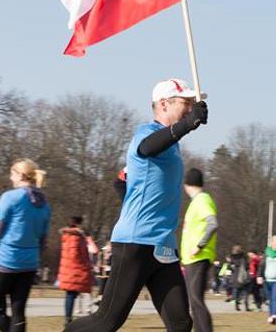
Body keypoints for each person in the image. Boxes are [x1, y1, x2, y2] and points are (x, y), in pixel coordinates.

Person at [66, 79, 207, 332]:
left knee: (181, 323)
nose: (190, 108)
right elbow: (147, 147)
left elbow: (122, 182)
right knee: (107, 322)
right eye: (186, 103)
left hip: (163, 247)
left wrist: (133, 203)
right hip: (135, 244)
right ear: (164, 104)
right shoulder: (146, 133)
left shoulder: (172, 145)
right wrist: (188, 124)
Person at [0, 158, 51, 332]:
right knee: (18, 312)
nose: (10, 178)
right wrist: (36, 260)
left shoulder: (9, 197)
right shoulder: (44, 203)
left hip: (5, 261)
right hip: (29, 263)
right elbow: (43, 238)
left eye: (12, 173)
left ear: (20, 175)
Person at [179, 168, 218, 332]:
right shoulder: (197, 202)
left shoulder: (202, 200)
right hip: (191, 260)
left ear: (187, 185)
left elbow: (213, 224)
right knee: (194, 301)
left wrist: (199, 246)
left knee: (196, 299)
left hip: (199, 257)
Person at [58, 216, 94, 325]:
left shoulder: (69, 235)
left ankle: (68, 318)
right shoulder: (75, 236)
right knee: (71, 294)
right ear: (78, 224)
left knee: (72, 294)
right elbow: (74, 255)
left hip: (69, 268)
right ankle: (68, 319)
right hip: (74, 269)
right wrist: (86, 263)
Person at [229, 245, 250, 311]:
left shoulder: (232, 258)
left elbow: (230, 267)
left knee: (237, 292)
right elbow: (247, 266)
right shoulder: (244, 257)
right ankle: (246, 306)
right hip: (244, 276)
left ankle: (236, 305)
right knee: (246, 292)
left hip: (236, 277)